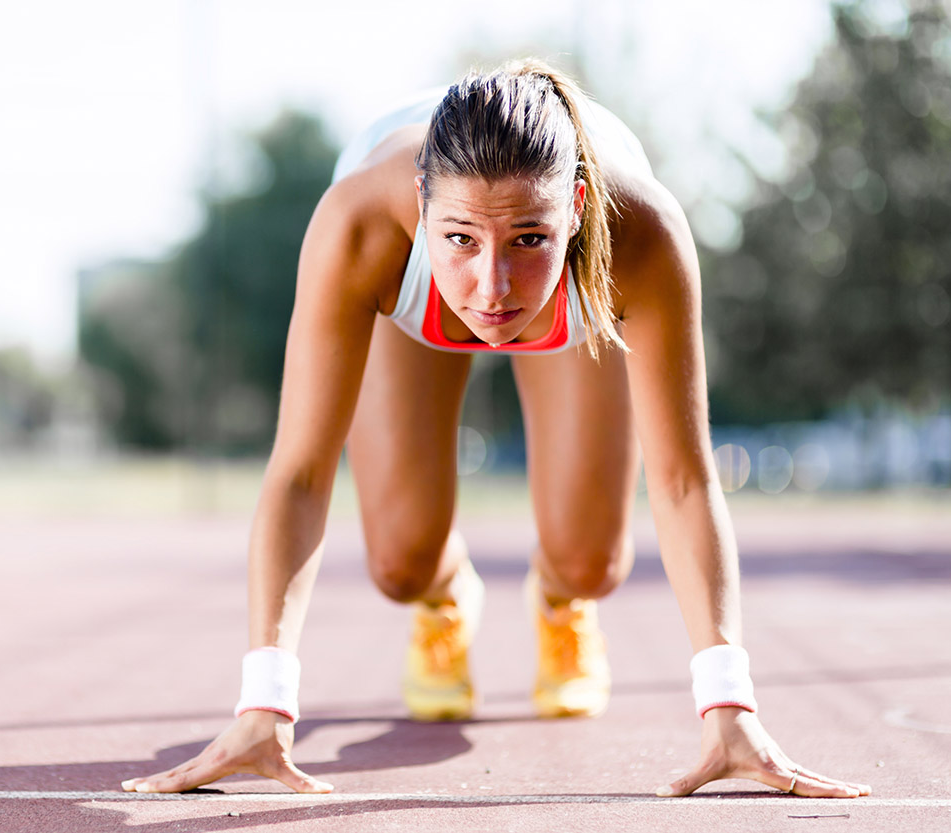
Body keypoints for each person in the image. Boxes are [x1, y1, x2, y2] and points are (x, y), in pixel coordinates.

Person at [121, 59, 870, 799]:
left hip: (581, 289)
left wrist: (729, 703)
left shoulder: (639, 231)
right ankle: (446, 594)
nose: (493, 288)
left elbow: (683, 479)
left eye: (528, 240)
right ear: (421, 203)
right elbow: (301, 471)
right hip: (407, 301)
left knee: (592, 562)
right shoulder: (361, 226)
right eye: (460, 239)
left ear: (576, 206)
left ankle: (560, 599)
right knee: (399, 563)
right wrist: (265, 702)